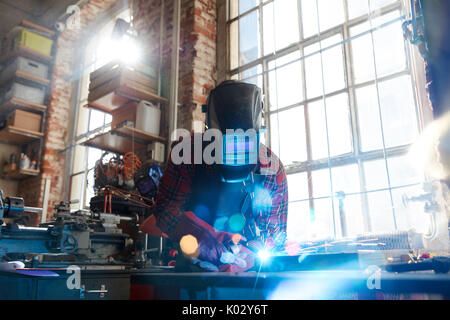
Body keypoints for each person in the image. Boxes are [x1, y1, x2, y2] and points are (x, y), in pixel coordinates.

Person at [140, 80, 288, 272]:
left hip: (247, 269)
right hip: (193, 265)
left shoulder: (270, 168)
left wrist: (252, 252)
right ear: (210, 133)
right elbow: (165, 211)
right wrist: (200, 238)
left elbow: (276, 234)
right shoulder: (188, 155)